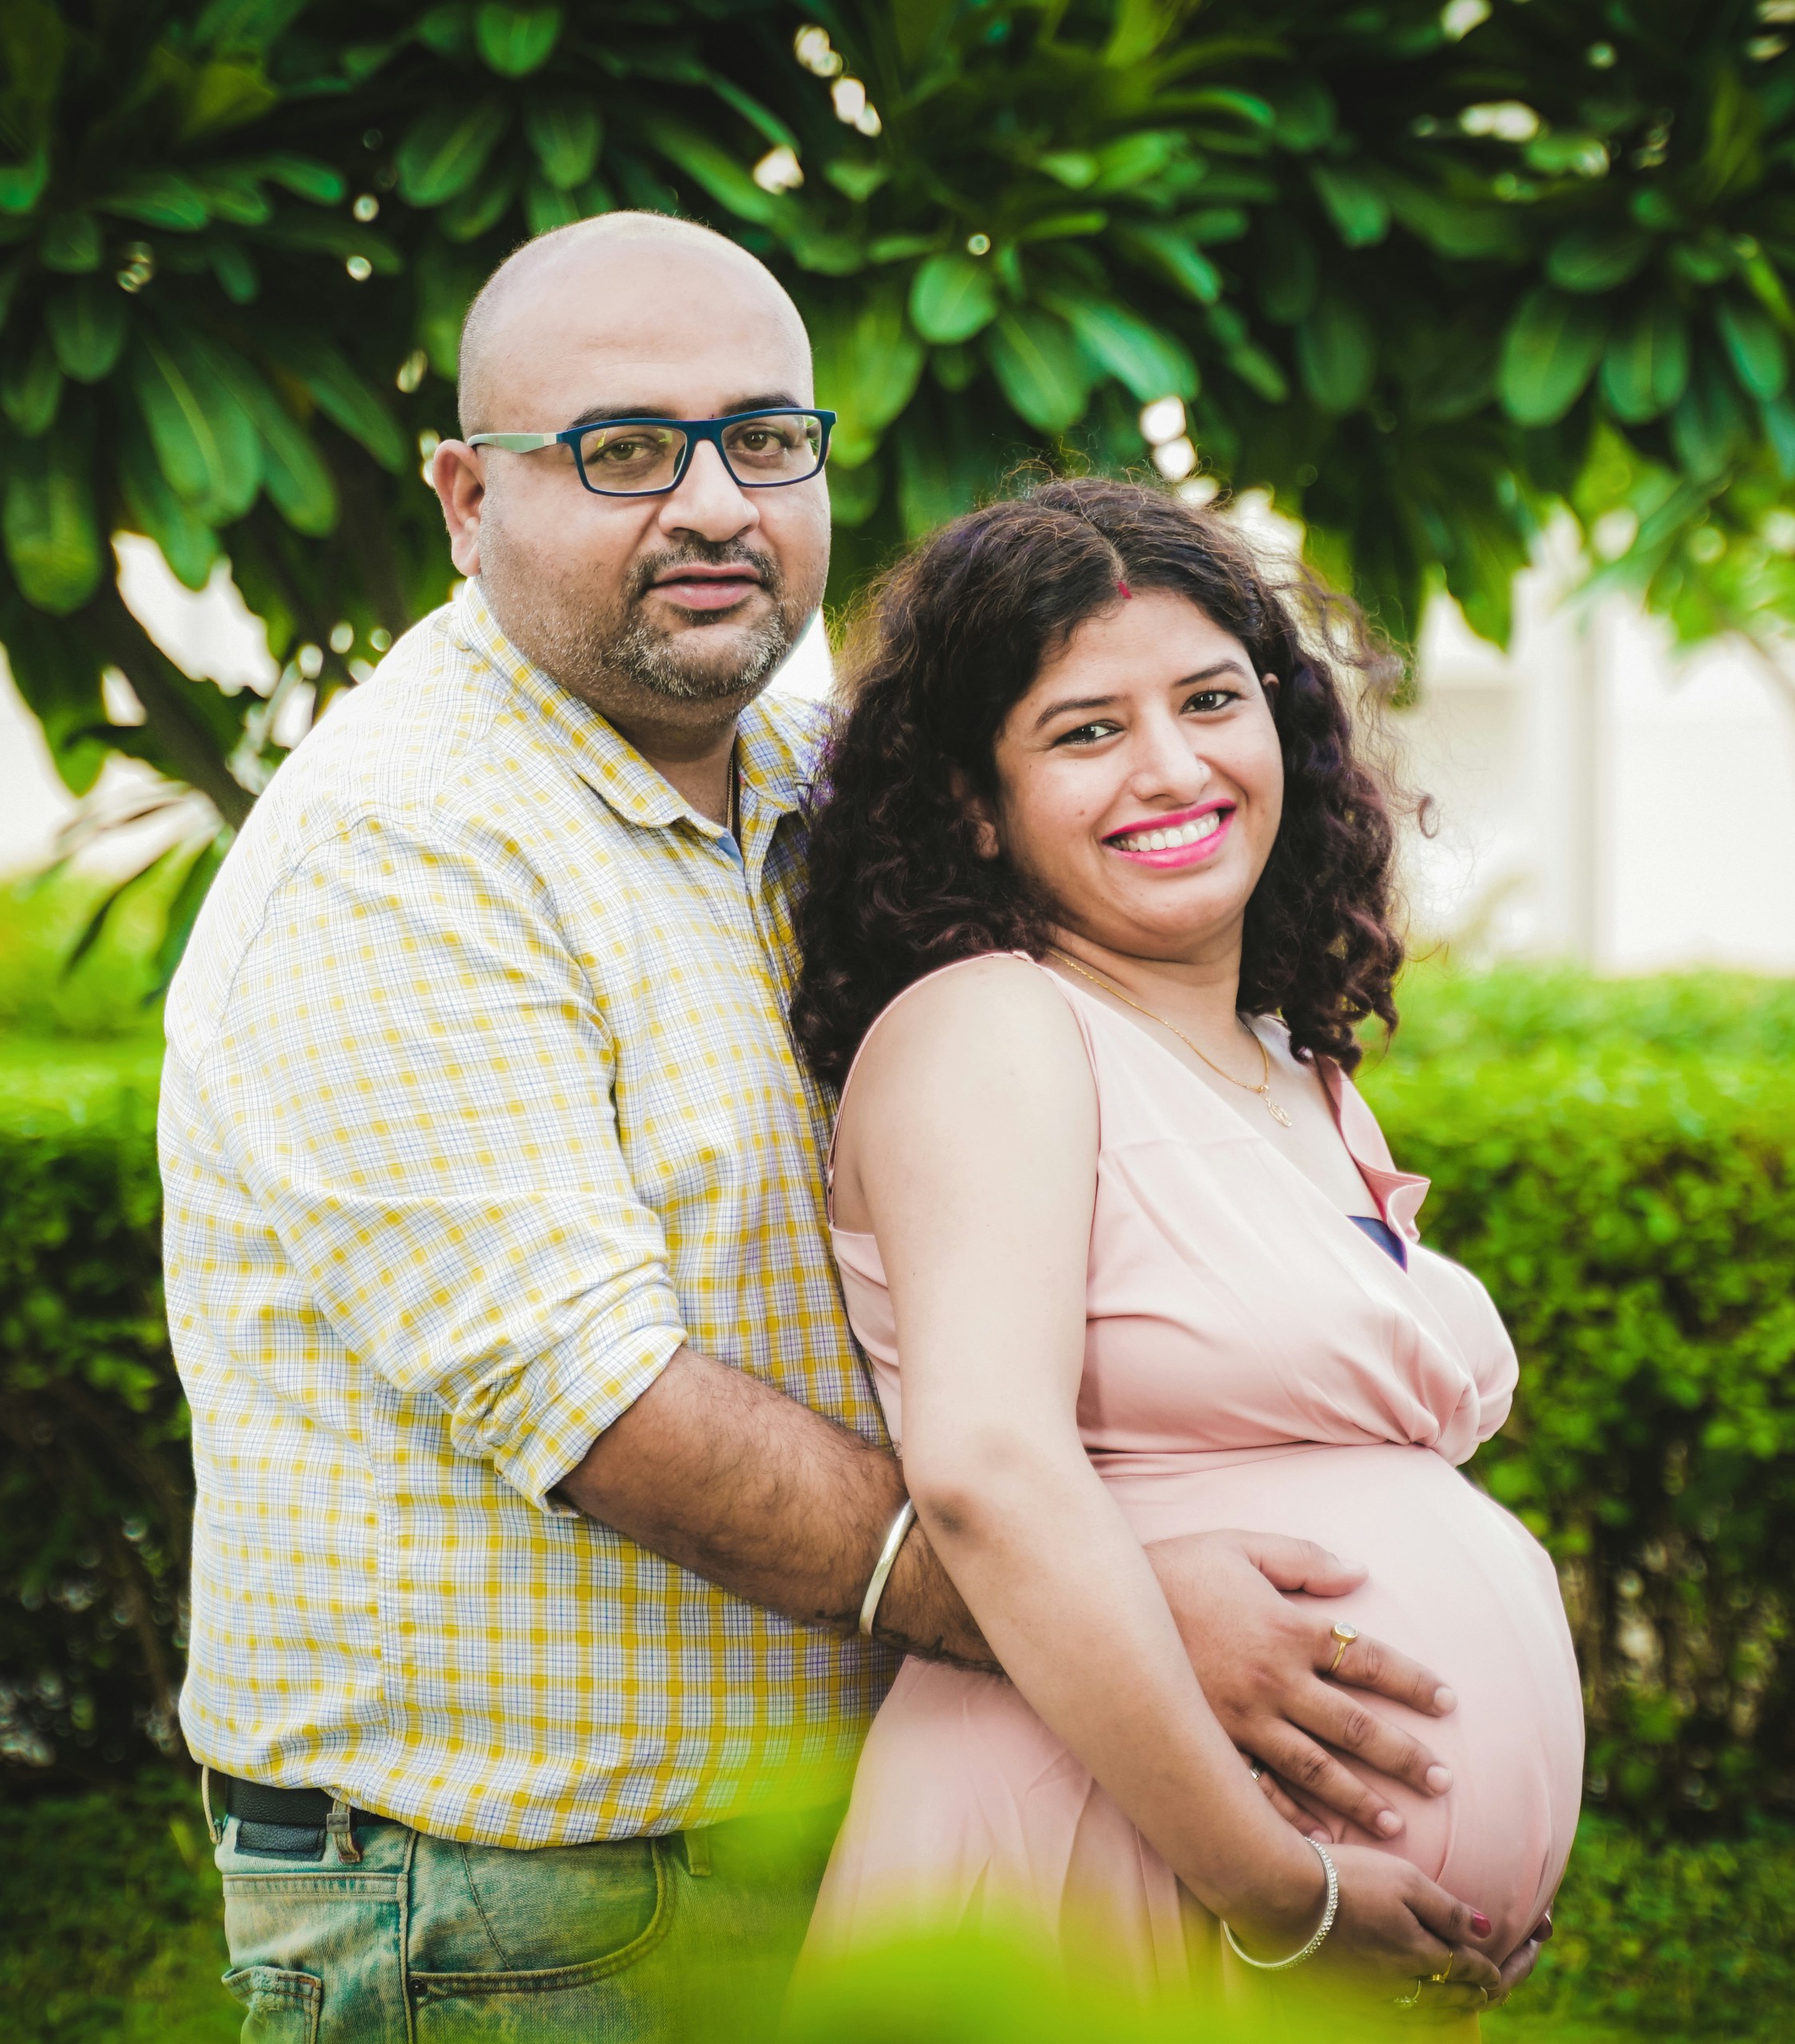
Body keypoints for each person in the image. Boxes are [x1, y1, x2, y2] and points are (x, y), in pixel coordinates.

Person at [158, 212, 1523, 2038]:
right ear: (467, 498)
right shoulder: (400, 853)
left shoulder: (819, 771)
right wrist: (1098, 1617)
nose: (714, 502)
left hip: (841, 1805)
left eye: (765, 440)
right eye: (625, 450)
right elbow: (601, 1401)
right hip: (527, 1895)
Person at [788, 478, 1586, 2015]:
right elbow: (987, 1469)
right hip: (1112, 1864)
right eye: (1086, 730)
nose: (1174, 767)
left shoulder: (1289, 1065)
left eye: (1213, 700)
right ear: (975, 801)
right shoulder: (996, 1025)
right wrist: (1279, 1884)